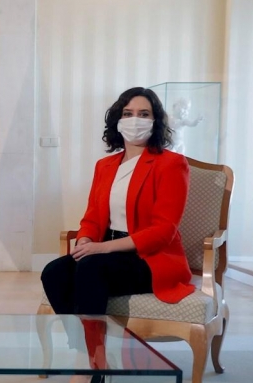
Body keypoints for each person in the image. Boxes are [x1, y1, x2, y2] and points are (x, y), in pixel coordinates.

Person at [40, 87, 195, 383]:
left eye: (144, 114)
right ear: (117, 120)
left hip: (150, 258)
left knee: (91, 268)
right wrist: (86, 239)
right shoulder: (105, 166)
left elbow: (164, 231)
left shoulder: (172, 164)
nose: (135, 120)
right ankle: (90, 353)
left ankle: (89, 366)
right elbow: (93, 218)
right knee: (54, 272)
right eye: (128, 114)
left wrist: (102, 249)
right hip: (107, 249)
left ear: (156, 121)